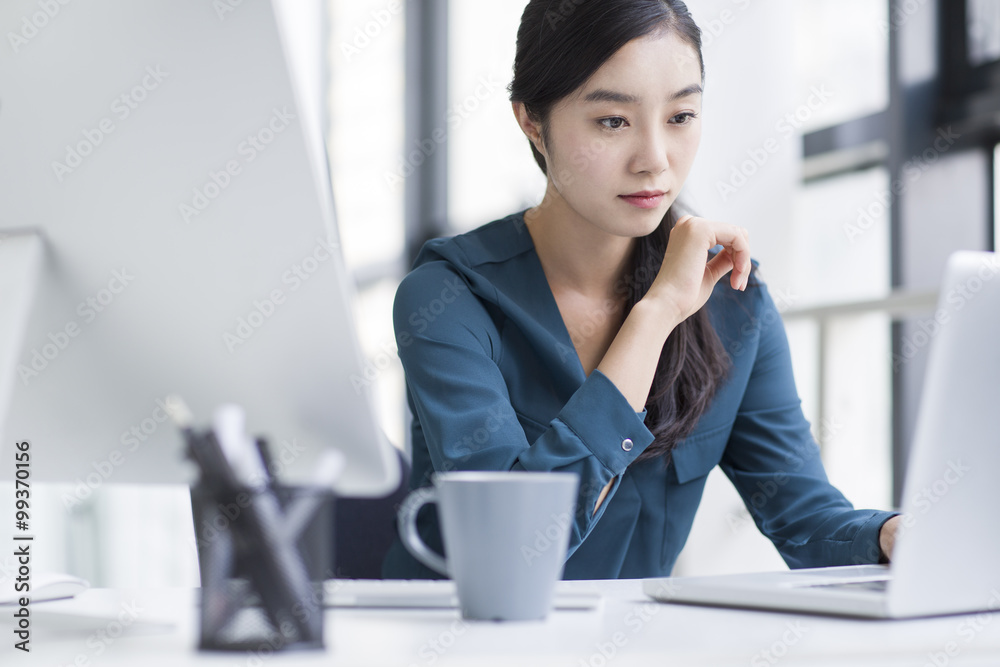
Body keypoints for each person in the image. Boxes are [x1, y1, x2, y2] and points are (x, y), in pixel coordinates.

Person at [382, 0, 900, 580]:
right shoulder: (449, 298)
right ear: (532, 121)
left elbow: (804, 518)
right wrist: (655, 316)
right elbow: (511, 552)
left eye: (680, 117)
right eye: (612, 121)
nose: (654, 161)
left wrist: (890, 535)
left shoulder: (733, 301)